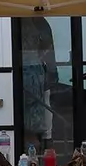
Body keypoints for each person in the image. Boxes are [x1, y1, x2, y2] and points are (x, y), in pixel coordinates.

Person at [20, 17, 58, 153]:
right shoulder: (40, 21)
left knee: (25, 130)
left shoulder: (13, 17)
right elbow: (48, 48)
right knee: (31, 129)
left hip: (20, 73)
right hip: (35, 73)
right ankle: (44, 145)